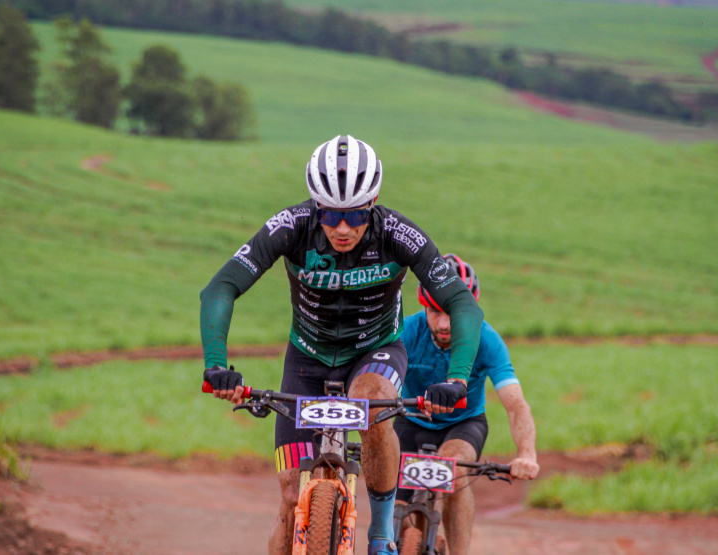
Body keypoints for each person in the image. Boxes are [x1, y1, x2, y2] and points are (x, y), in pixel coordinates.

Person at [200, 135, 485, 555]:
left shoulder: (398, 233)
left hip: (376, 351)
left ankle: (381, 529)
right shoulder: (290, 227)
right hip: (306, 360)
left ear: (372, 204)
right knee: (289, 498)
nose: (343, 228)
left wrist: (458, 379)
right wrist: (216, 364)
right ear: (316, 207)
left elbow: (462, 304)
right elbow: (221, 287)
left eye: (355, 215)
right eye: (331, 215)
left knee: (371, 407)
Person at [394, 254, 539, 555]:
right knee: (394, 504)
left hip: (463, 425)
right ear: (424, 305)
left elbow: (515, 404)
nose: (446, 323)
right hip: (410, 421)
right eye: (436, 311)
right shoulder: (406, 332)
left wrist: (526, 454)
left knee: (453, 469)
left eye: (455, 313)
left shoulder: (487, 340)